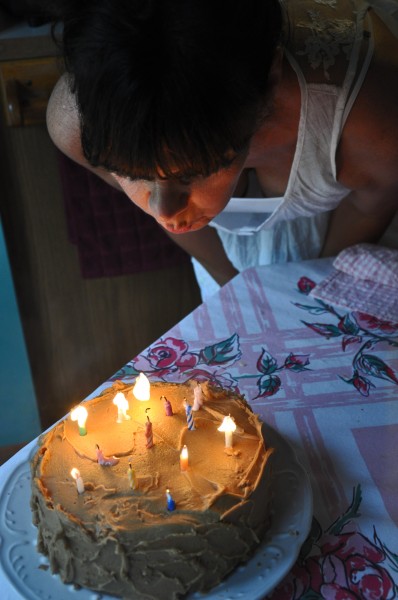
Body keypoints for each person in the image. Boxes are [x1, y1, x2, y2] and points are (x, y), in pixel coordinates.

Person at [46, 0, 398, 298]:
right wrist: (234, 290)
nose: (163, 209)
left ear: (269, 84)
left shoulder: (367, 118)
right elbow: (185, 232)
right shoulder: (82, 129)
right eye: (134, 174)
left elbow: (371, 202)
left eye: (191, 174)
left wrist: (310, 295)